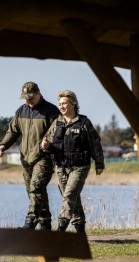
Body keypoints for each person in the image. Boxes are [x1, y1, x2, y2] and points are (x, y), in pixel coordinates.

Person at [0, 81, 59, 230]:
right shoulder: (20, 111)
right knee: (33, 191)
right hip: (26, 158)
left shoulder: (51, 111)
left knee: (36, 186)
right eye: (25, 98)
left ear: (38, 94)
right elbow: (12, 131)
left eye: (31, 97)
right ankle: (45, 222)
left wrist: (48, 143)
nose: (28, 100)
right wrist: (3, 145)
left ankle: (30, 221)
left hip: (44, 157)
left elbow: (58, 133)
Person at [40, 90, 104, 234]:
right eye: (60, 103)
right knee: (71, 198)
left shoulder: (84, 123)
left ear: (73, 104)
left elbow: (95, 143)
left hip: (79, 167)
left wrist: (99, 163)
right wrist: (44, 146)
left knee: (69, 196)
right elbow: (46, 142)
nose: (61, 106)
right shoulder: (57, 123)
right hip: (61, 167)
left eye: (64, 103)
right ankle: (80, 229)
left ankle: (61, 228)